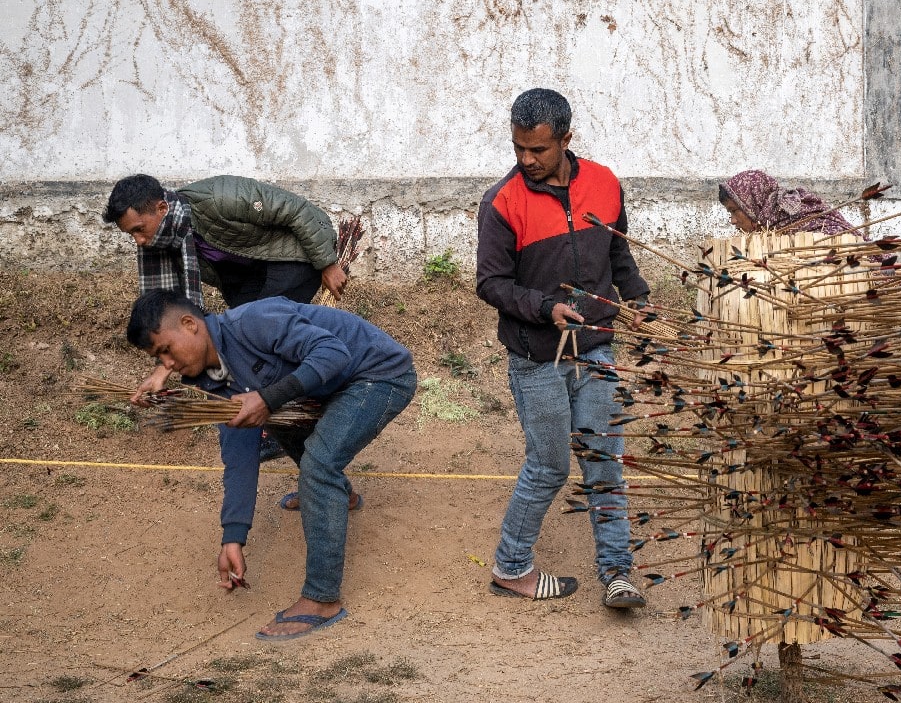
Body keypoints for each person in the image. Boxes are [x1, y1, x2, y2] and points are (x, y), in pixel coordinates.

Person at [125, 289, 416, 640]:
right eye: (159, 358)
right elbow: (239, 455)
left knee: (318, 466)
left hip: (379, 375)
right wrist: (233, 536)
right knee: (280, 420)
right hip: (324, 389)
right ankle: (338, 496)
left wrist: (266, 398)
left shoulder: (255, 321)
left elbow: (333, 353)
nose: (167, 366)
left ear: (189, 325)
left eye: (166, 351)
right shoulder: (213, 378)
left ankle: (322, 599)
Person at [475, 88, 650, 608]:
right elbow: (490, 283)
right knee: (550, 465)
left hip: (596, 346)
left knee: (604, 460)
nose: (526, 160)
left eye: (538, 150)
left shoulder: (605, 183)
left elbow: (619, 254)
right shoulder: (501, 202)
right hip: (536, 357)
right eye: (518, 149)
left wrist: (638, 297)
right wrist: (543, 307)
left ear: (566, 139)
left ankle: (618, 575)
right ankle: (511, 568)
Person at [105, 172, 347, 480]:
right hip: (246, 278)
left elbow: (298, 211)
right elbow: (173, 318)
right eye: (131, 235)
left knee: (257, 343)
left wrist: (327, 263)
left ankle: (285, 415)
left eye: (139, 229)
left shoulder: (221, 199)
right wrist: (161, 371)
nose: (139, 241)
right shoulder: (164, 241)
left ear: (162, 209)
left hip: (289, 261)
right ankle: (281, 418)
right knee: (239, 345)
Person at [718, 169, 860, 235]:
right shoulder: (769, 231)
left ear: (752, 205)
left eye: (734, 210)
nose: (733, 221)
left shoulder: (800, 222)